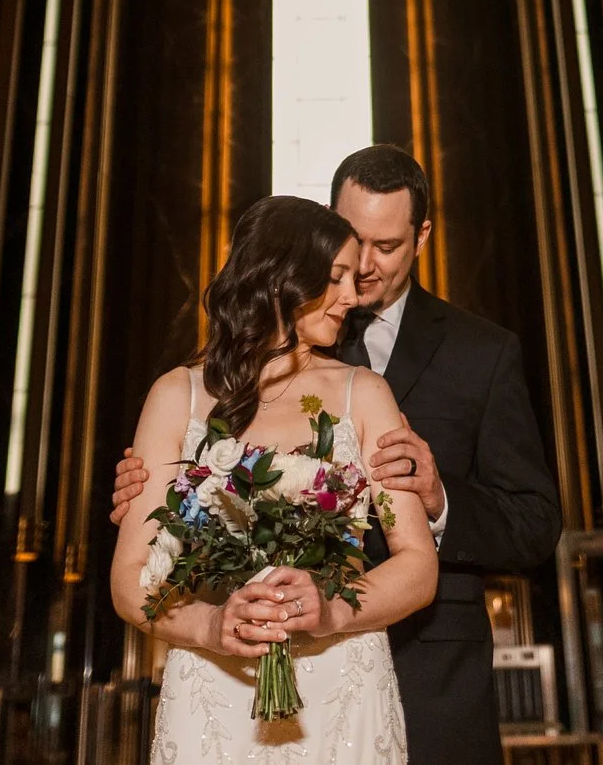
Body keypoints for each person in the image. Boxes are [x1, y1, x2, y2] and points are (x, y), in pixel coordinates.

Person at [115, 147, 561, 765]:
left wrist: (439, 501)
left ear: (422, 236)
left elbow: (530, 522)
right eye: (347, 256)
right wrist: (172, 505)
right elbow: (144, 562)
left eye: (385, 247)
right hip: (223, 678)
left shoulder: (476, 355)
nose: (360, 280)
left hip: (413, 669)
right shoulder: (183, 389)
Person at [109, 195, 439, 765]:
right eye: (335, 278)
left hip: (343, 693)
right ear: (282, 279)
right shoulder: (176, 397)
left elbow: (416, 564)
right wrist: (213, 625)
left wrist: (334, 608)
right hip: (213, 693)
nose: (352, 297)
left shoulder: (365, 394)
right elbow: (129, 580)